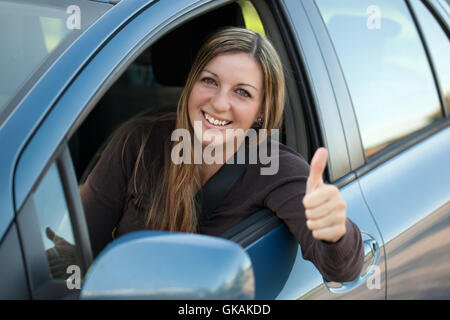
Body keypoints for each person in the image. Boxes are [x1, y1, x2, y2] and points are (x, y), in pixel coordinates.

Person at [47, 27, 364, 283]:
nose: (219, 103)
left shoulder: (275, 168)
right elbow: (77, 253)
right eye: (209, 81)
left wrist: (335, 232)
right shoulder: (139, 141)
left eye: (242, 92)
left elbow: (342, 270)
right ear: (191, 84)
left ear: (261, 111)